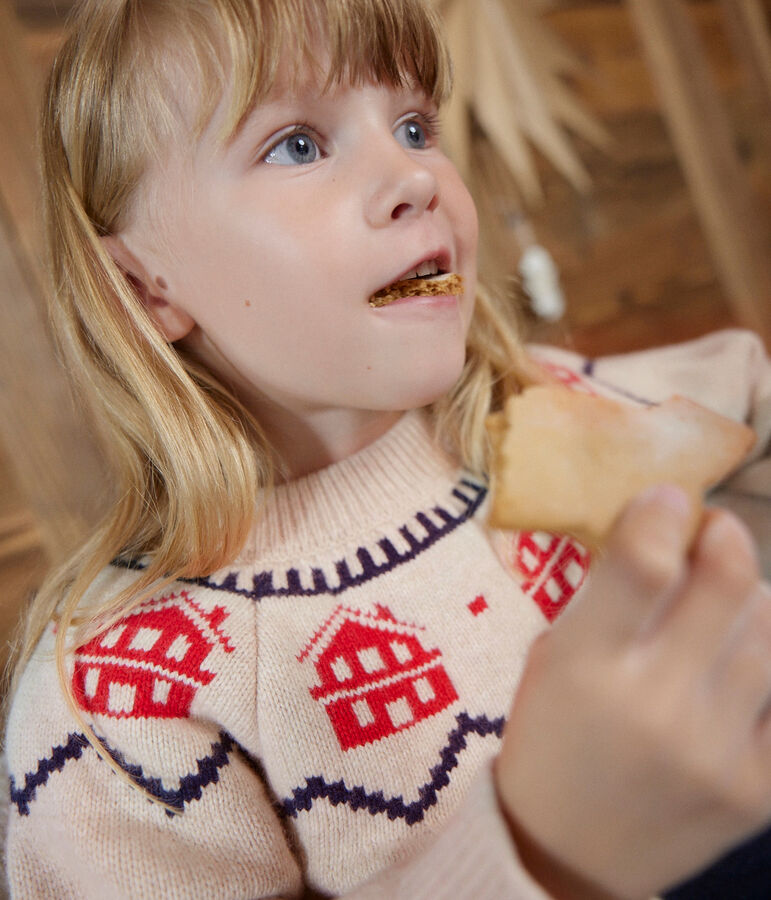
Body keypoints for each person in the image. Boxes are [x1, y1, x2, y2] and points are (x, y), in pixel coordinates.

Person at [4, 1, 771, 897]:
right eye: (297, 144)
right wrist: (541, 853)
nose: (416, 176)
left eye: (414, 125)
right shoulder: (116, 704)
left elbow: (742, 388)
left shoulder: (552, 403)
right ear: (143, 288)